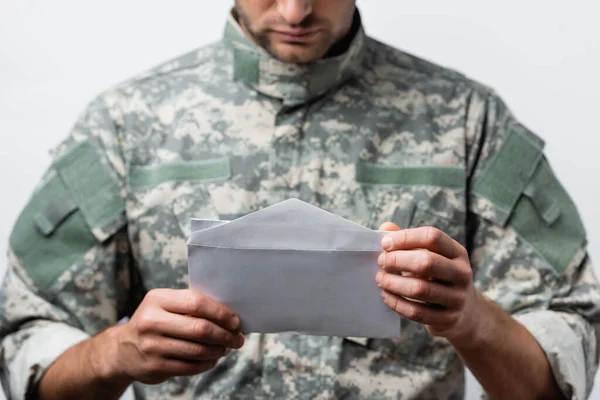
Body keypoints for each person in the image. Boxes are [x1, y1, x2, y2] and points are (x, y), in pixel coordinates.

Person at [1, 0, 599, 399]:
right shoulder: (125, 124)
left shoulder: (470, 122)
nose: (294, 10)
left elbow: (563, 362)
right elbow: (25, 341)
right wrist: (118, 352)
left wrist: (469, 319)